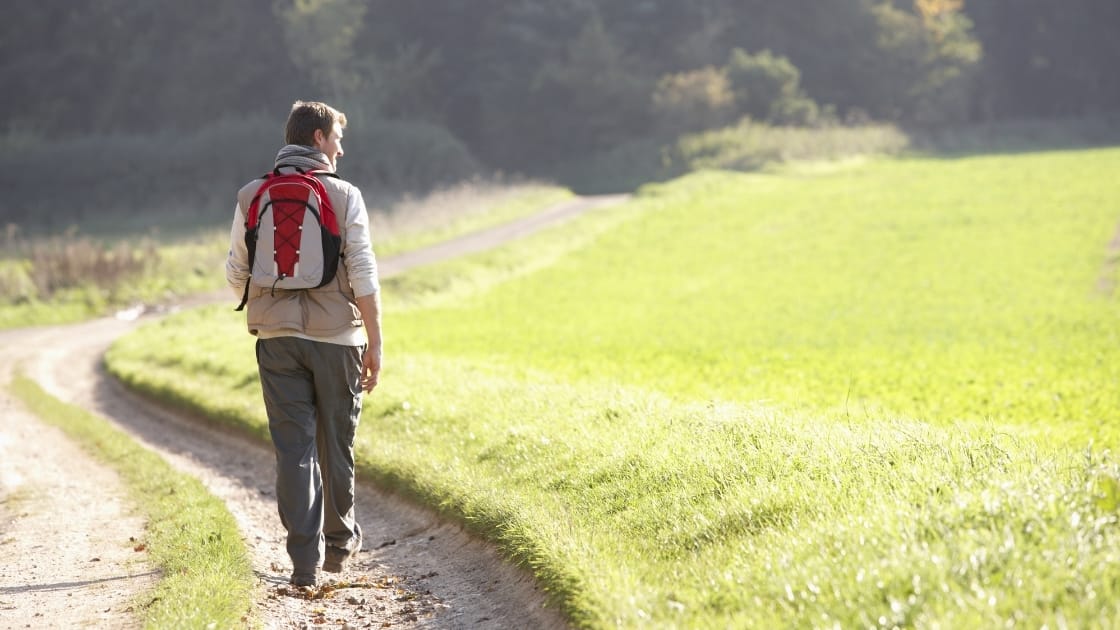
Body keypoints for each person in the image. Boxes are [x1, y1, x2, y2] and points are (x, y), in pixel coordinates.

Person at [226, 101, 382, 588]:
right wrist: (376, 340)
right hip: (338, 339)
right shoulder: (345, 194)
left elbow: (235, 273)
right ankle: (338, 543)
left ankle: (303, 565)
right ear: (317, 137)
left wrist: (270, 301)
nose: (340, 146)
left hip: (276, 341)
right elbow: (363, 273)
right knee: (336, 442)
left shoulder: (253, 194)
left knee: (293, 447)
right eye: (336, 136)